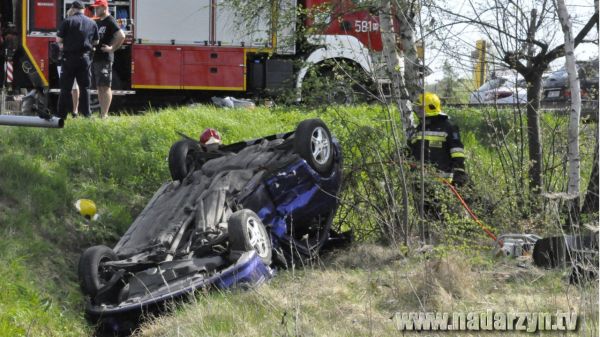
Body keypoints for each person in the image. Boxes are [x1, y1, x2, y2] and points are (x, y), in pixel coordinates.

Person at [408, 92, 468, 186]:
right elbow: (411, 146)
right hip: (419, 181)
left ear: (430, 107)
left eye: (421, 108)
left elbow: (457, 151)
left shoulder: (448, 127)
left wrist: (459, 171)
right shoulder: (421, 126)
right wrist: (401, 153)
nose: (418, 111)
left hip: (442, 183)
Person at [56, 1, 98, 119]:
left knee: (65, 88)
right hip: (85, 59)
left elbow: (59, 39)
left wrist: (64, 46)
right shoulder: (92, 22)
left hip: (69, 58)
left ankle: (61, 115)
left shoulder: (67, 21)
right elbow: (96, 41)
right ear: (83, 9)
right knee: (85, 88)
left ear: (73, 9)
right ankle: (86, 114)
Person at [91, 0, 125, 118]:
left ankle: (104, 114)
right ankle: (102, 113)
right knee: (99, 87)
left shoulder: (110, 20)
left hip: (105, 59)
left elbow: (121, 35)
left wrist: (112, 48)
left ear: (104, 7)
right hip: (97, 58)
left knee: (105, 87)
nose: (96, 10)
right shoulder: (99, 21)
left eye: (98, 8)